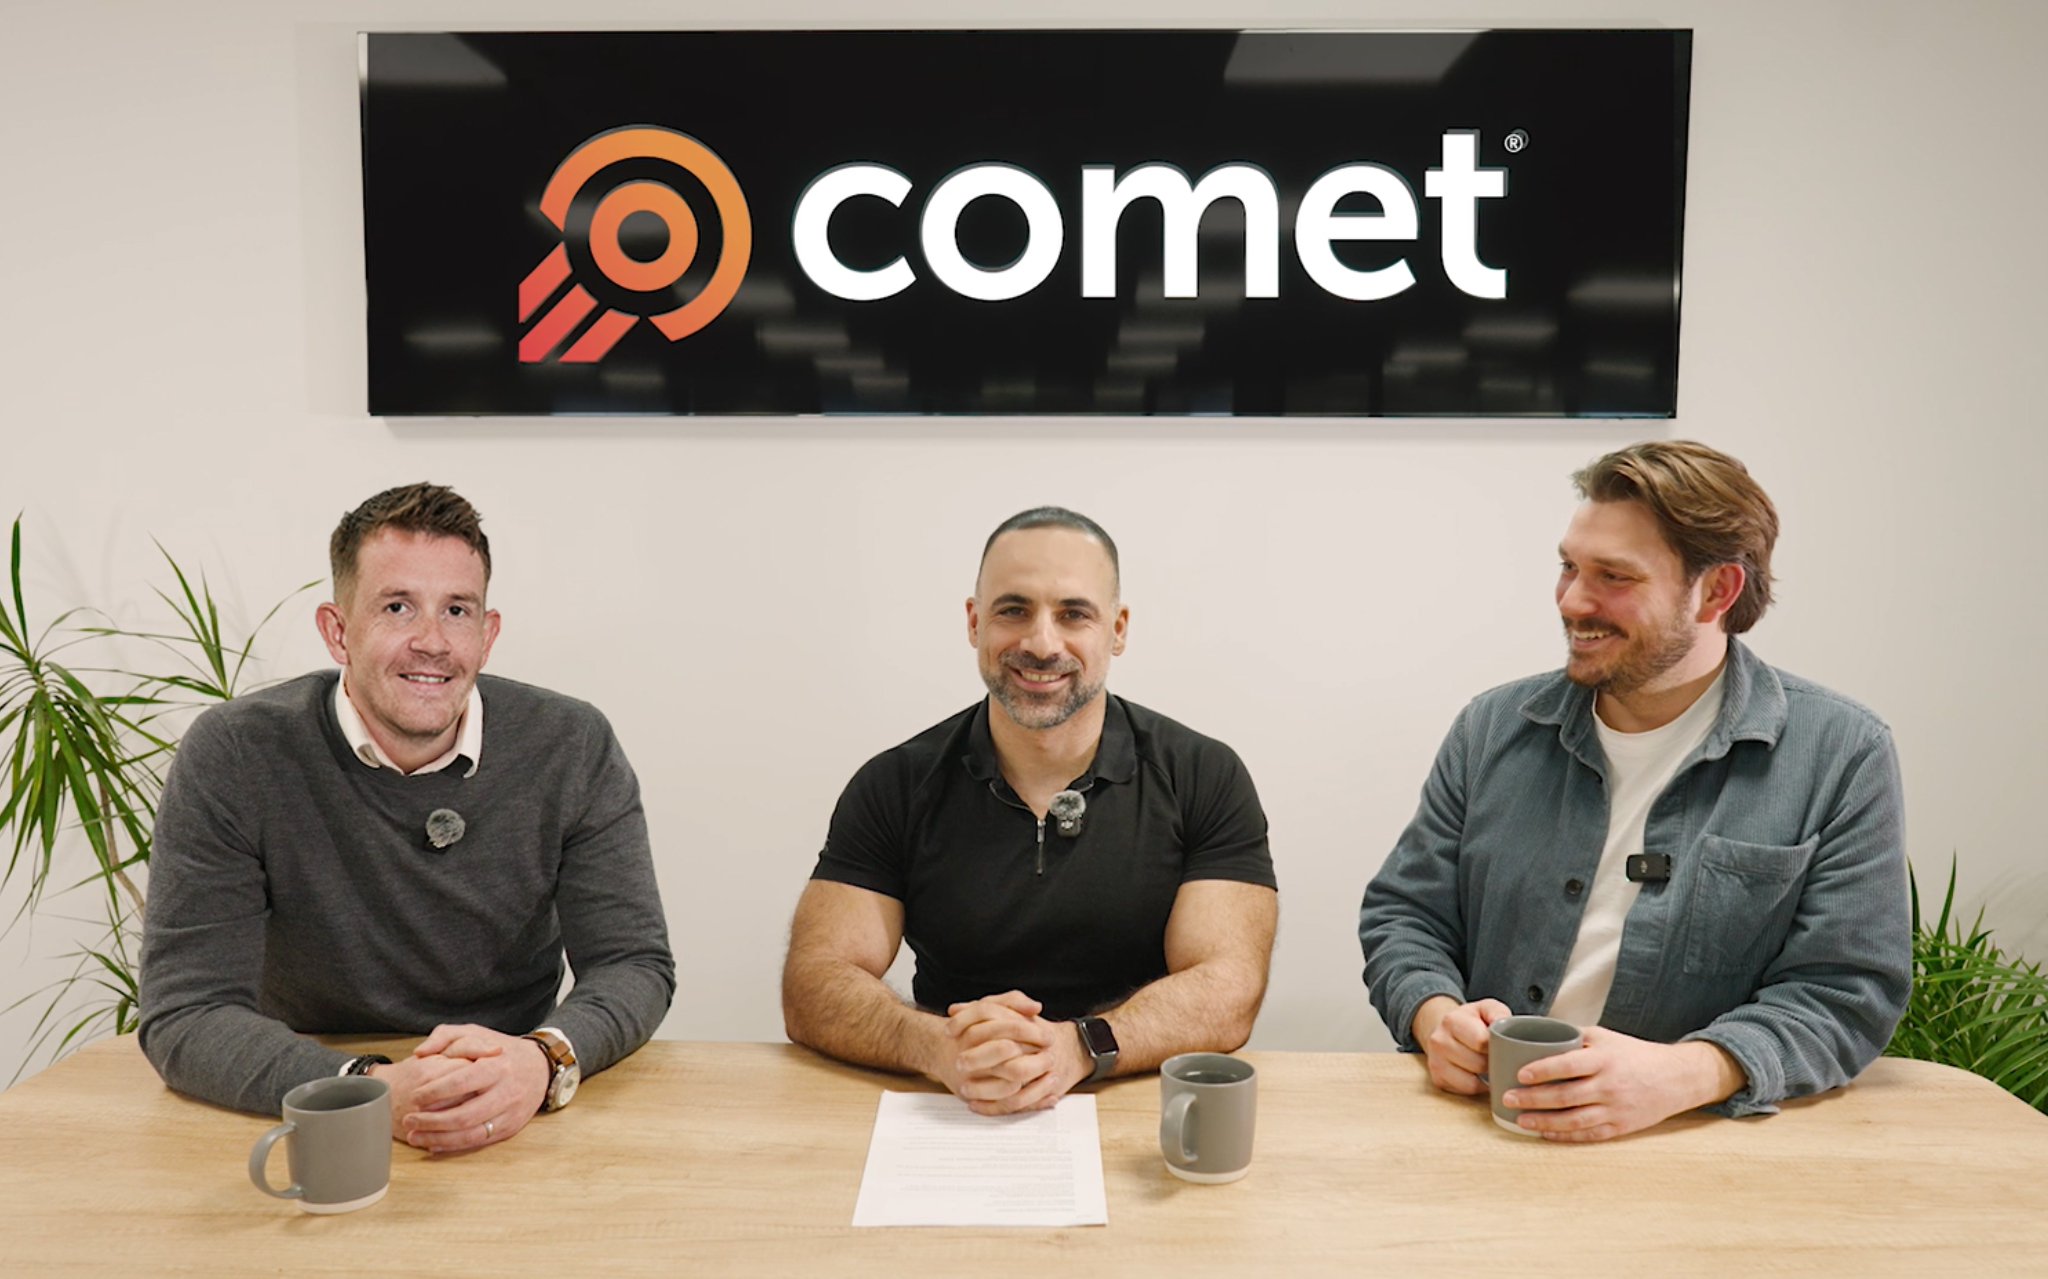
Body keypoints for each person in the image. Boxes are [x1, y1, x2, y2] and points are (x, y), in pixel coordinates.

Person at [1359, 441, 1909, 1142]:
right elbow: (1406, 914)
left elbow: (1847, 993)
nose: (1572, 600)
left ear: (1718, 591)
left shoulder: (1841, 753)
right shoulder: (1491, 727)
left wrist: (1687, 1073)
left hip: (1693, 1142)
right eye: (1568, 566)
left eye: (1613, 576)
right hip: (1483, 1129)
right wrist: (1435, 1016)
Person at [138, 483, 674, 1152]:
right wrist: (366, 1088)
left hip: (507, 1090)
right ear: (337, 630)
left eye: (457, 610)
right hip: (308, 1091)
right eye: (397, 607)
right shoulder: (237, 752)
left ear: (487, 633)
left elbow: (632, 962)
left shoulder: (571, 744)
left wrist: (542, 1060)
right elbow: (187, 1010)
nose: (432, 642)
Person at [782, 507, 1279, 1115]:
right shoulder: (895, 784)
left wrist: (1079, 1047)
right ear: (974, 622)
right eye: (1013, 611)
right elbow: (813, 980)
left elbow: (1229, 988)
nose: (1041, 644)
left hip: (1139, 1106)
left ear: (1118, 629)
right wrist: (933, 1045)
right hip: (951, 1102)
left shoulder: (1204, 776)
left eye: (1074, 614)